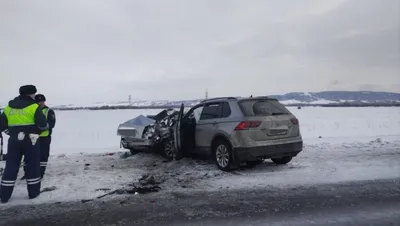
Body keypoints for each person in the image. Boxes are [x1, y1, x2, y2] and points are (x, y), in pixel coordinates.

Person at [0, 85, 48, 203]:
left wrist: (11, 133)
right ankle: (33, 192)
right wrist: (37, 132)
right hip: (31, 140)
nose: (34, 96)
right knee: (32, 166)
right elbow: (43, 124)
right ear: (29, 94)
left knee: (11, 166)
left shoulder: (8, 108)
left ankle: (4, 195)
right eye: (33, 94)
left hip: (14, 141)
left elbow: (1, 126)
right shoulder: (33, 107)